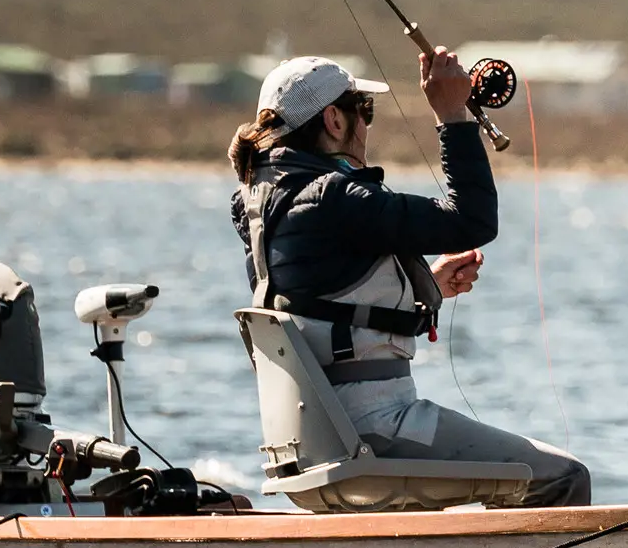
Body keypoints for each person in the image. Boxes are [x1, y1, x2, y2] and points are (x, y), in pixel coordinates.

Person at [229, 45, 589, 505]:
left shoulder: (259, 203)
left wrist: (424, 288)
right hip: (375, 428)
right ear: (335, 122)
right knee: (565, 477)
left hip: (314, 439)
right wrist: (452, 115)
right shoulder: (334, 197)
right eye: (365, 110)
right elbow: (472, 221)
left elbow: (314, 298)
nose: (366, 123)